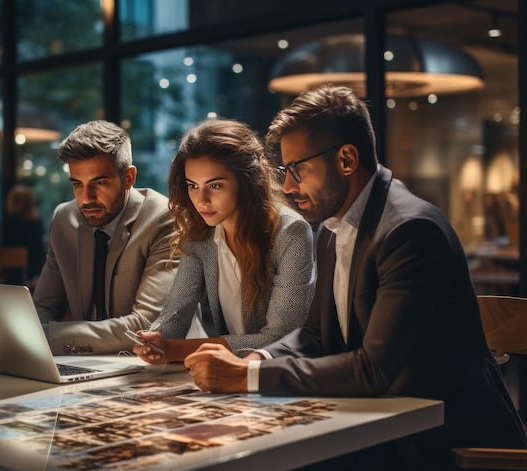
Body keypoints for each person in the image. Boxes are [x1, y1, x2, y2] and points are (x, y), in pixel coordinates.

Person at [182, 86, 527, 469]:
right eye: (285, 171)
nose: (290, 187)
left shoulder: (410, 231)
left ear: (346, 159)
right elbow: (313, 334)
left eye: (297, 169)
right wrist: (258, 356)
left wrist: (250, 375)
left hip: (441, 442)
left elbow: (373, 369)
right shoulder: (333, 225)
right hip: (377, 423)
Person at [0, 120, 178, 356]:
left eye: (101, 182)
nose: (86, 199)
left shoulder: (163, 220)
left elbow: (146, 326)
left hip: (159, 367)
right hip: (89, 364)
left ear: (129, 177)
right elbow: (45, 307)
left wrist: (29, 338)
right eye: (77, 184)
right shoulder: (65, 219)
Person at [134, 119, 315, 364]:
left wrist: (178, 350)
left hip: (282, 374)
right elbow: (178, 309)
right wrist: (155, 338)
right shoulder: (200, 234)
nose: (201, 200)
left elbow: (282, 336)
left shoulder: (290, 233)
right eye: (192, 186)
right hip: (229, 373)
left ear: (247, 181)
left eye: (215, 185)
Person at [0, 184, 46, 286]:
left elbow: (4, 252)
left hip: (13, 275)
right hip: (35, 273)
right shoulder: (36, 222)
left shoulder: (9, 222)